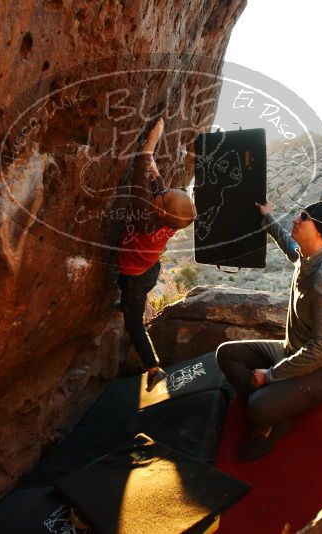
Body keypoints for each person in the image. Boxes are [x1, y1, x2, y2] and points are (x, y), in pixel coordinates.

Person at [216, 201, 322, 460]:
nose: (296, 219)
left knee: (257, 409)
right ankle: (279, 404)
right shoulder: (306, 256)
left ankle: (274, 416)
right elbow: (286, 243)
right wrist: (266, 216)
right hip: (294, 350)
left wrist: (269, 376)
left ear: (318, 231)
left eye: (303, 217)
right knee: (226, 354)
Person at [116, 117, 196, 391]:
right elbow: (163, 193)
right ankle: (124, 302)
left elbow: (140, 168)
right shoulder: (168, 219)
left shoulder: (143, 219)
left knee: (134, 324)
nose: (164, 191)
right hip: (149, 271)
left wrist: (152, 142)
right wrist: (158, 175)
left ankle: (152, 367)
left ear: (159, 210)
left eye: (165, 195)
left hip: (136, 278)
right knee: (127, 293)